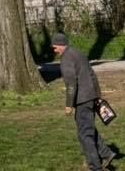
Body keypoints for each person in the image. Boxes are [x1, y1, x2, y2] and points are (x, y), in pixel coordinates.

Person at [51, 32, 116, 171]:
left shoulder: (66, 58)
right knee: (88, 128)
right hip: (91, 96)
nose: (54, 50)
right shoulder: (78, 53)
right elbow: (92, 74)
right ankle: (106, 153)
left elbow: (71, 83)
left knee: (84, 134)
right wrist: (98, 95)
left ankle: (95, 167)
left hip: (82, 100)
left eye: (55, 47)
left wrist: (69, 104)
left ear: (61, 46)